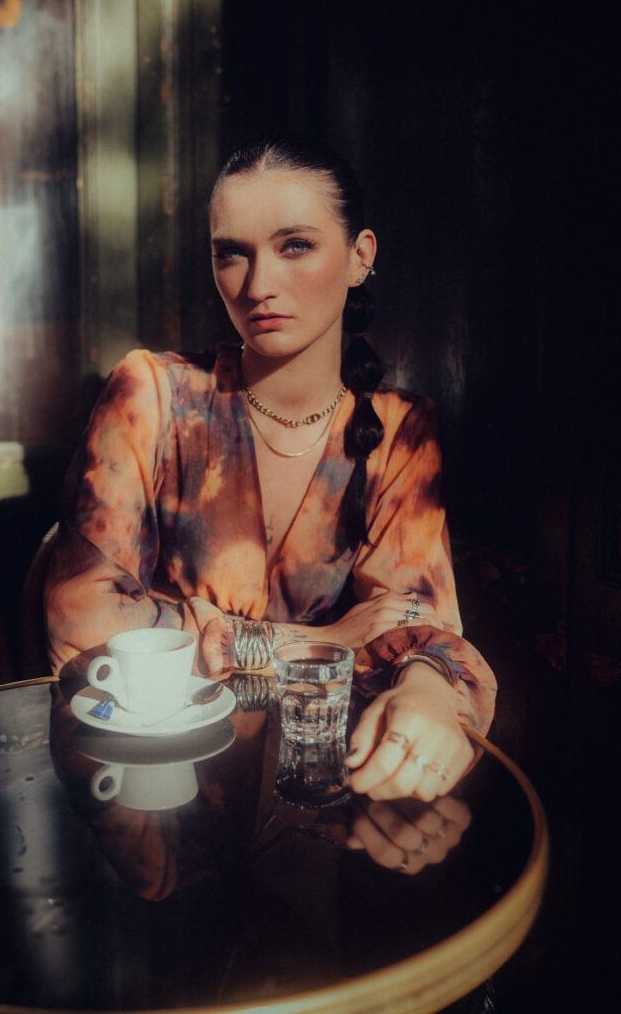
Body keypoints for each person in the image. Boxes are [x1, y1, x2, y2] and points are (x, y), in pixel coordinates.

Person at [45, 135, 497, 802]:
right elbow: (81, 622)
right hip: (155, 786)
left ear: (359, 257)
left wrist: (428, 685)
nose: (258, 286)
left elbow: (414, 622)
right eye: (232, 254)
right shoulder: (152, 394)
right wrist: (298, 642)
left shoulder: (399, 431)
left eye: (295, 246)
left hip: (318, 792)